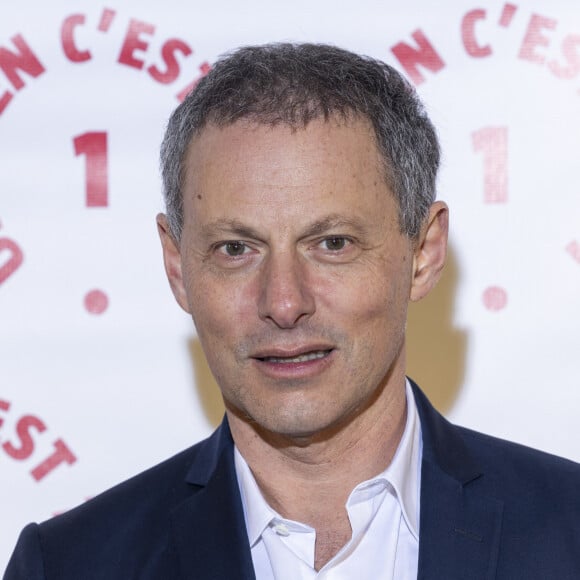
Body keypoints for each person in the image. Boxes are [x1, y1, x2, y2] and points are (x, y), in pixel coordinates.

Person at [4, 42, 580, 580]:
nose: (283, 303)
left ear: (423, 253)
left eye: (332, 243)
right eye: (236, 249)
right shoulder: (68, 565)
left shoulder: (568, 531)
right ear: (177, 268)